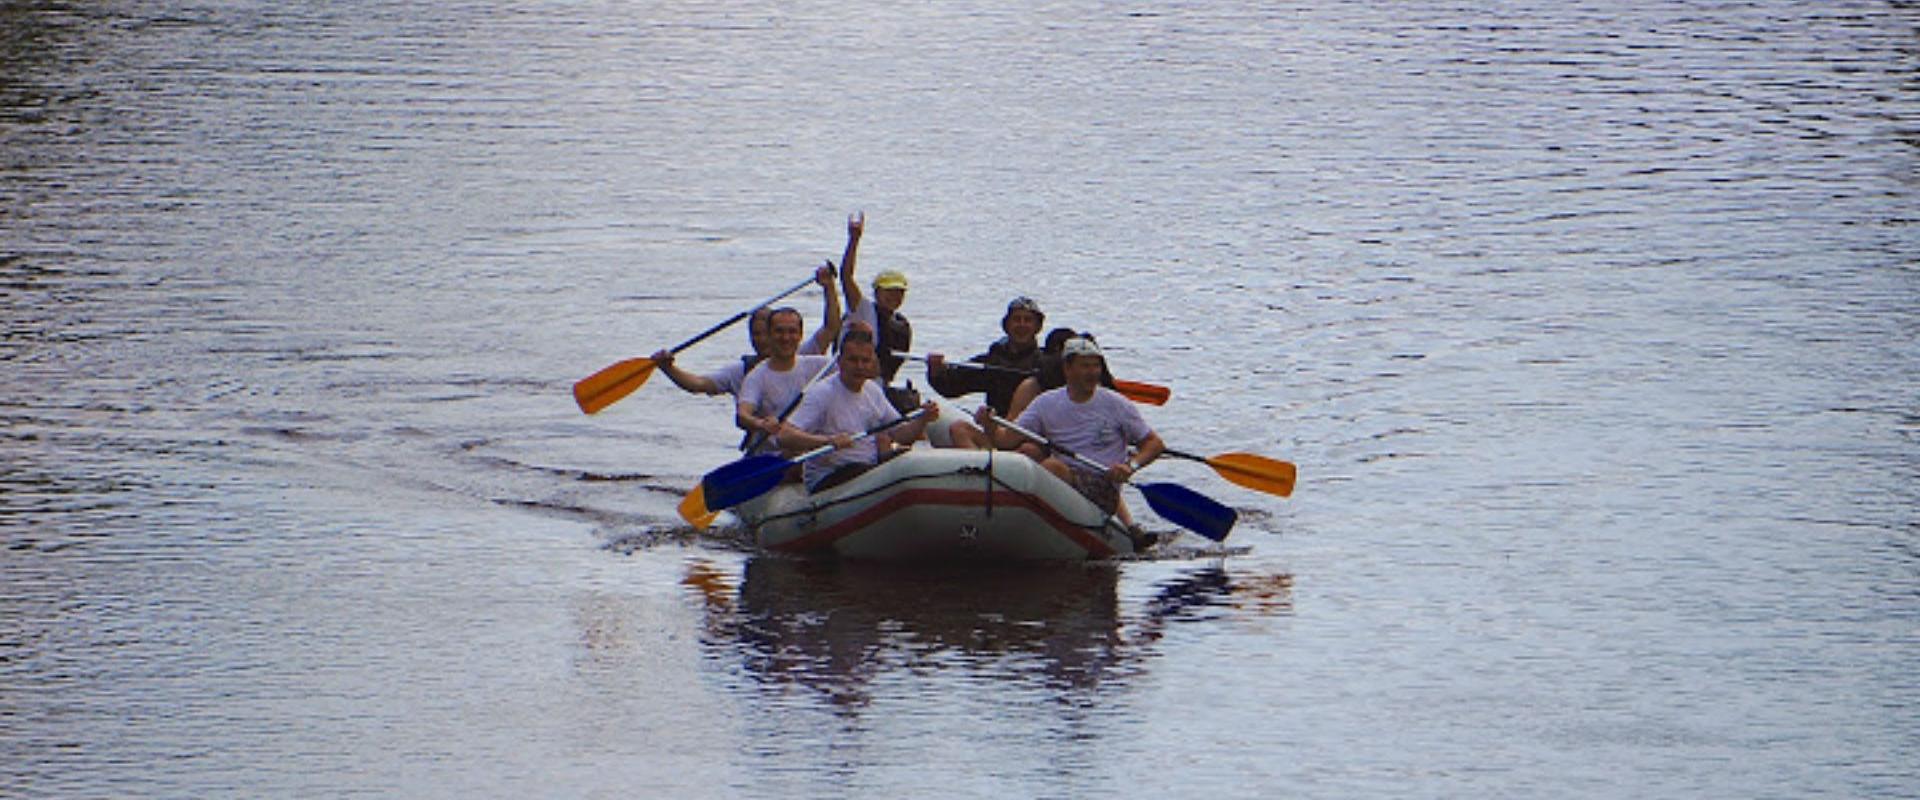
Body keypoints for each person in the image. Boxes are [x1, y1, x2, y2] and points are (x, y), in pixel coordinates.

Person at [975, 336, 1164, 548]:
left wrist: (1130, 466)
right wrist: (989, 425)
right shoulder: (1046, 403)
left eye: (1095, 366)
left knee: (1051, 467)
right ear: (1067, 369)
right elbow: (1005, 440)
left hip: (1102, 485)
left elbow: (1154, 443)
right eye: (1085, 366)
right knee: (1029, 455)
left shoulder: (1116, 403)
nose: (1092, 373)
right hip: (1065, 480)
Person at [780, 329, 939, 493]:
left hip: (867, 468)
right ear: (840, 362)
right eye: (853, 360)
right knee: (869, 473)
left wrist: (922, 420)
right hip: (830, 476)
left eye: (865, 361)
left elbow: (898, 434)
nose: (860, 366)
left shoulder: (872, 390)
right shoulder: (822, 393)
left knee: (901, 462)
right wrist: (827, 441)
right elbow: (785, 435)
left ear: (873, 363)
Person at [651, 262, 840, 399]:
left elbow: (831, 327)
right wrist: (668, 368)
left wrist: (829, 287)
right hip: (762, 451)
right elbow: (699, 384)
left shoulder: (805, 357)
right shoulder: (741, 372)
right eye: (755, 335)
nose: (761, 341)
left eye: (765, 334)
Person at [923, 296, 1047, 449]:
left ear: (1037, 326)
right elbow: (951, 386)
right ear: (1007, 325)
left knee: (1029, 449)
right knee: (959, 429)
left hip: (1030, 437)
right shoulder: (992, 360)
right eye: (1016, 319)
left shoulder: (1045, 363)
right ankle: (979, 467)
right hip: (994, 430)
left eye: (1027, 320)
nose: (1022, 325)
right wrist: (936, 371)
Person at [735, 307, 836, 455]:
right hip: (774, 456)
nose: (786, 338)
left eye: (792, 332)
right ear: (769, 335)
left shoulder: (820, 366)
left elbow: (857, 371)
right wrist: (760, 424)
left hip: (811, 450)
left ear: (800, 335)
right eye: (779, 331)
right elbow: (742, 415)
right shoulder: (757, 376)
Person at [835, 212, 913, 388]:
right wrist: (854, 240)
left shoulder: (901, 325)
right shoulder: (863, 310)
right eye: (889, 292)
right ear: (877, 293)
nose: (894, 297)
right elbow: (846, 277)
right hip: (847, 384)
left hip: (876, 387)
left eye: (899, 292)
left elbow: (890, 367)